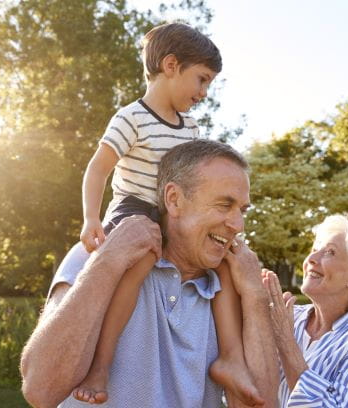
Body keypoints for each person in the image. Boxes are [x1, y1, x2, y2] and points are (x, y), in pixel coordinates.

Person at [68, 22, 257, 405]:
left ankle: (232, 359)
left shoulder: (189, 127)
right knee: (140, 262)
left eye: (209, 84)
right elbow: (98, 168)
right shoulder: (131, 118)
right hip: (135, 210)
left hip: (172, 211)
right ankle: (101, 365)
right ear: (171, 65)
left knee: (222, 259)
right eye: (201, 80)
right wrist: (91, 218)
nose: (204, 93)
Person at [20, 140, 279, 408]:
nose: (238, 225)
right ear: (174, 199)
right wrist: (107, 261)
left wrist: (255, 295)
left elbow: (263, 404)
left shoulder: (232, 285)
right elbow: (41, 389)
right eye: (224, 205)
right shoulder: (97, 254)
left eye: (242, 210)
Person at [261, 214, 348, 407]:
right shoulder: (288, 317)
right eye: (314, 249)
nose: (311, 258)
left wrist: (285, 341)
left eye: (329, 252)